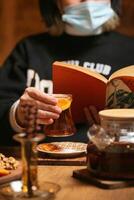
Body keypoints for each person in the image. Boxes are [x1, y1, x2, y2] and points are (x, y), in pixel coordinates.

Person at [0, 0, 134, 146]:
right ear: (56, 3)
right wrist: (18, 114)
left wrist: (118, 127)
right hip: (37, 159)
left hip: (109, 162)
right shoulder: (28, 50)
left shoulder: (130, 51)